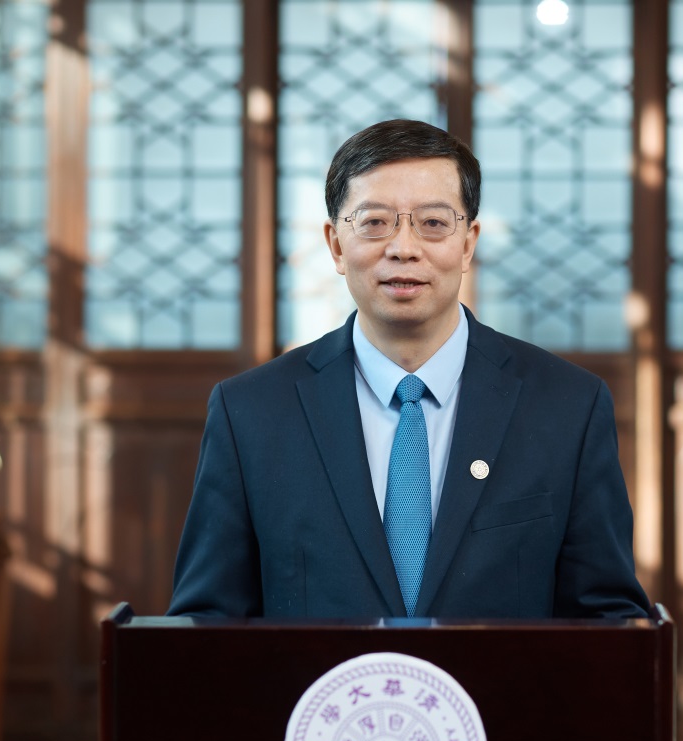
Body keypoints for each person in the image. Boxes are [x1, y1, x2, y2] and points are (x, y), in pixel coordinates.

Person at [169, 119, 649, 620]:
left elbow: (608, 620)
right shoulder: (250, 412)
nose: (403, 247)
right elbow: (207, 622)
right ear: (336, 245)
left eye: (433, 223)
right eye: (374, 222)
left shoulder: (568, 407)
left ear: (468, 244)